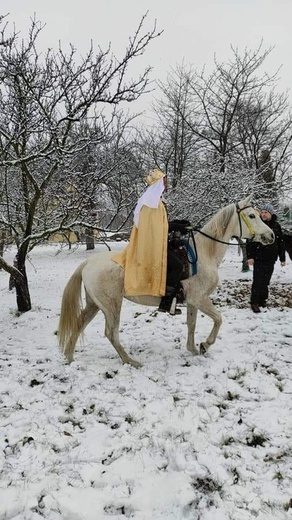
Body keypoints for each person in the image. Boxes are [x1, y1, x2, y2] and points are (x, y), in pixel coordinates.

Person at [112, 168, 183, 314]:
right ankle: (166, 302)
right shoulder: (151, 203)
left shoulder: (154, 201)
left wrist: (177, 224)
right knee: (177, 266)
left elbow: (159, 225)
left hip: (156, 243)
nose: (167, 183)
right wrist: (173, 226)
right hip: (152, 247)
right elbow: (154, 229)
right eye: (164, 180)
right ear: (159, 183)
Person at [246, 202, 286, 313]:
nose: (263, 214)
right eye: (262, 212)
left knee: (266, 281)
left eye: (266, 212)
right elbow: (250, 242)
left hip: (271, 259)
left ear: (271, 214)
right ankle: (254, 302)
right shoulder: (257, 225)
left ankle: (262, 300)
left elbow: (280, 243)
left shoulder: (276, 226)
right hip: (258, 258)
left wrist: (282, 258)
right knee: (257, 280)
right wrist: (250, 256)